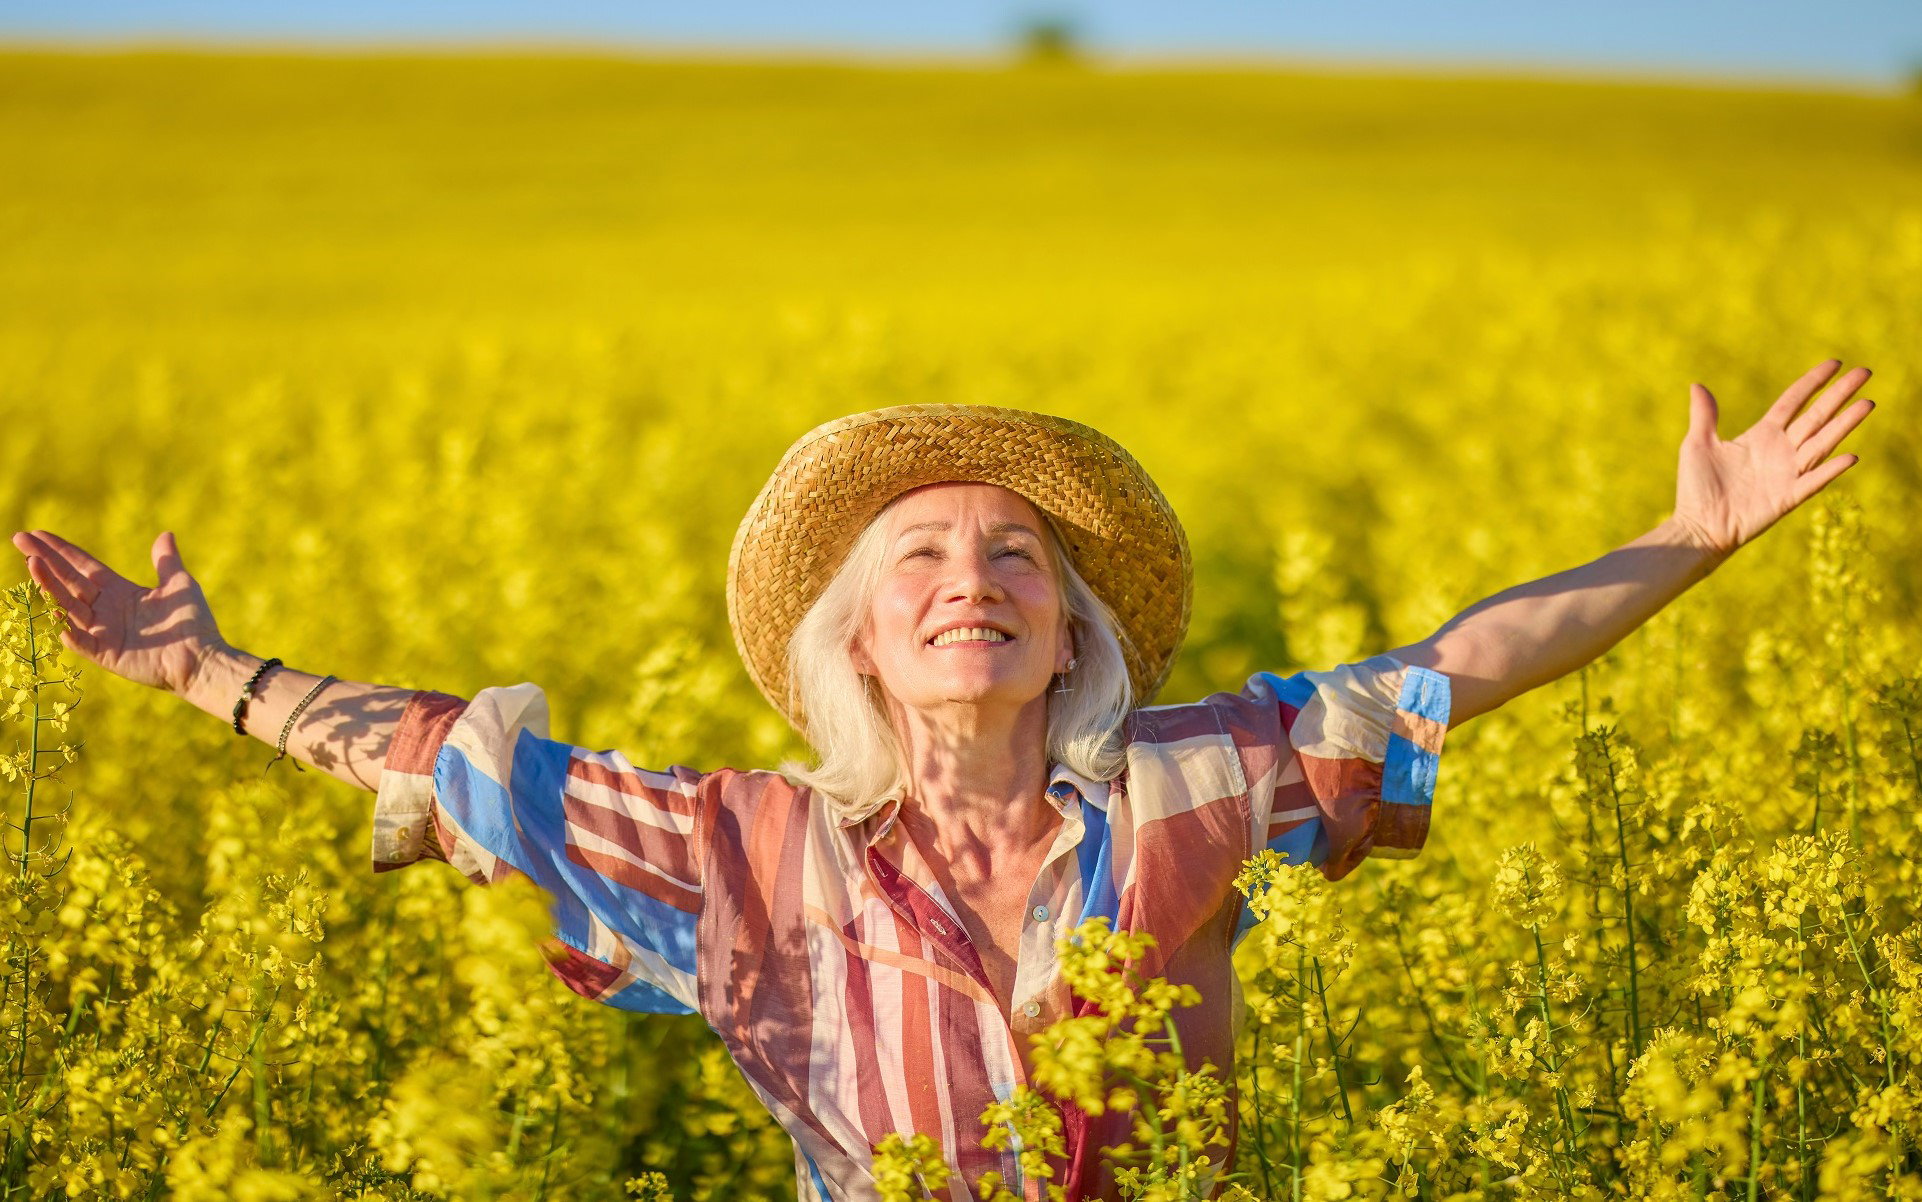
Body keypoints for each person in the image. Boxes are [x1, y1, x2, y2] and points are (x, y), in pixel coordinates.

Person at [8, 360, 1876, 1201]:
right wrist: (206, 672)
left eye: (1011, 561)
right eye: (915, 560)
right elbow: (461, 768)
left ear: (1070, 637)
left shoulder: (1192, 788)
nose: (967, 578)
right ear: (857, 644)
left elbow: (1459, 666)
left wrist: (1686, 539)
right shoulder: (744, 846)